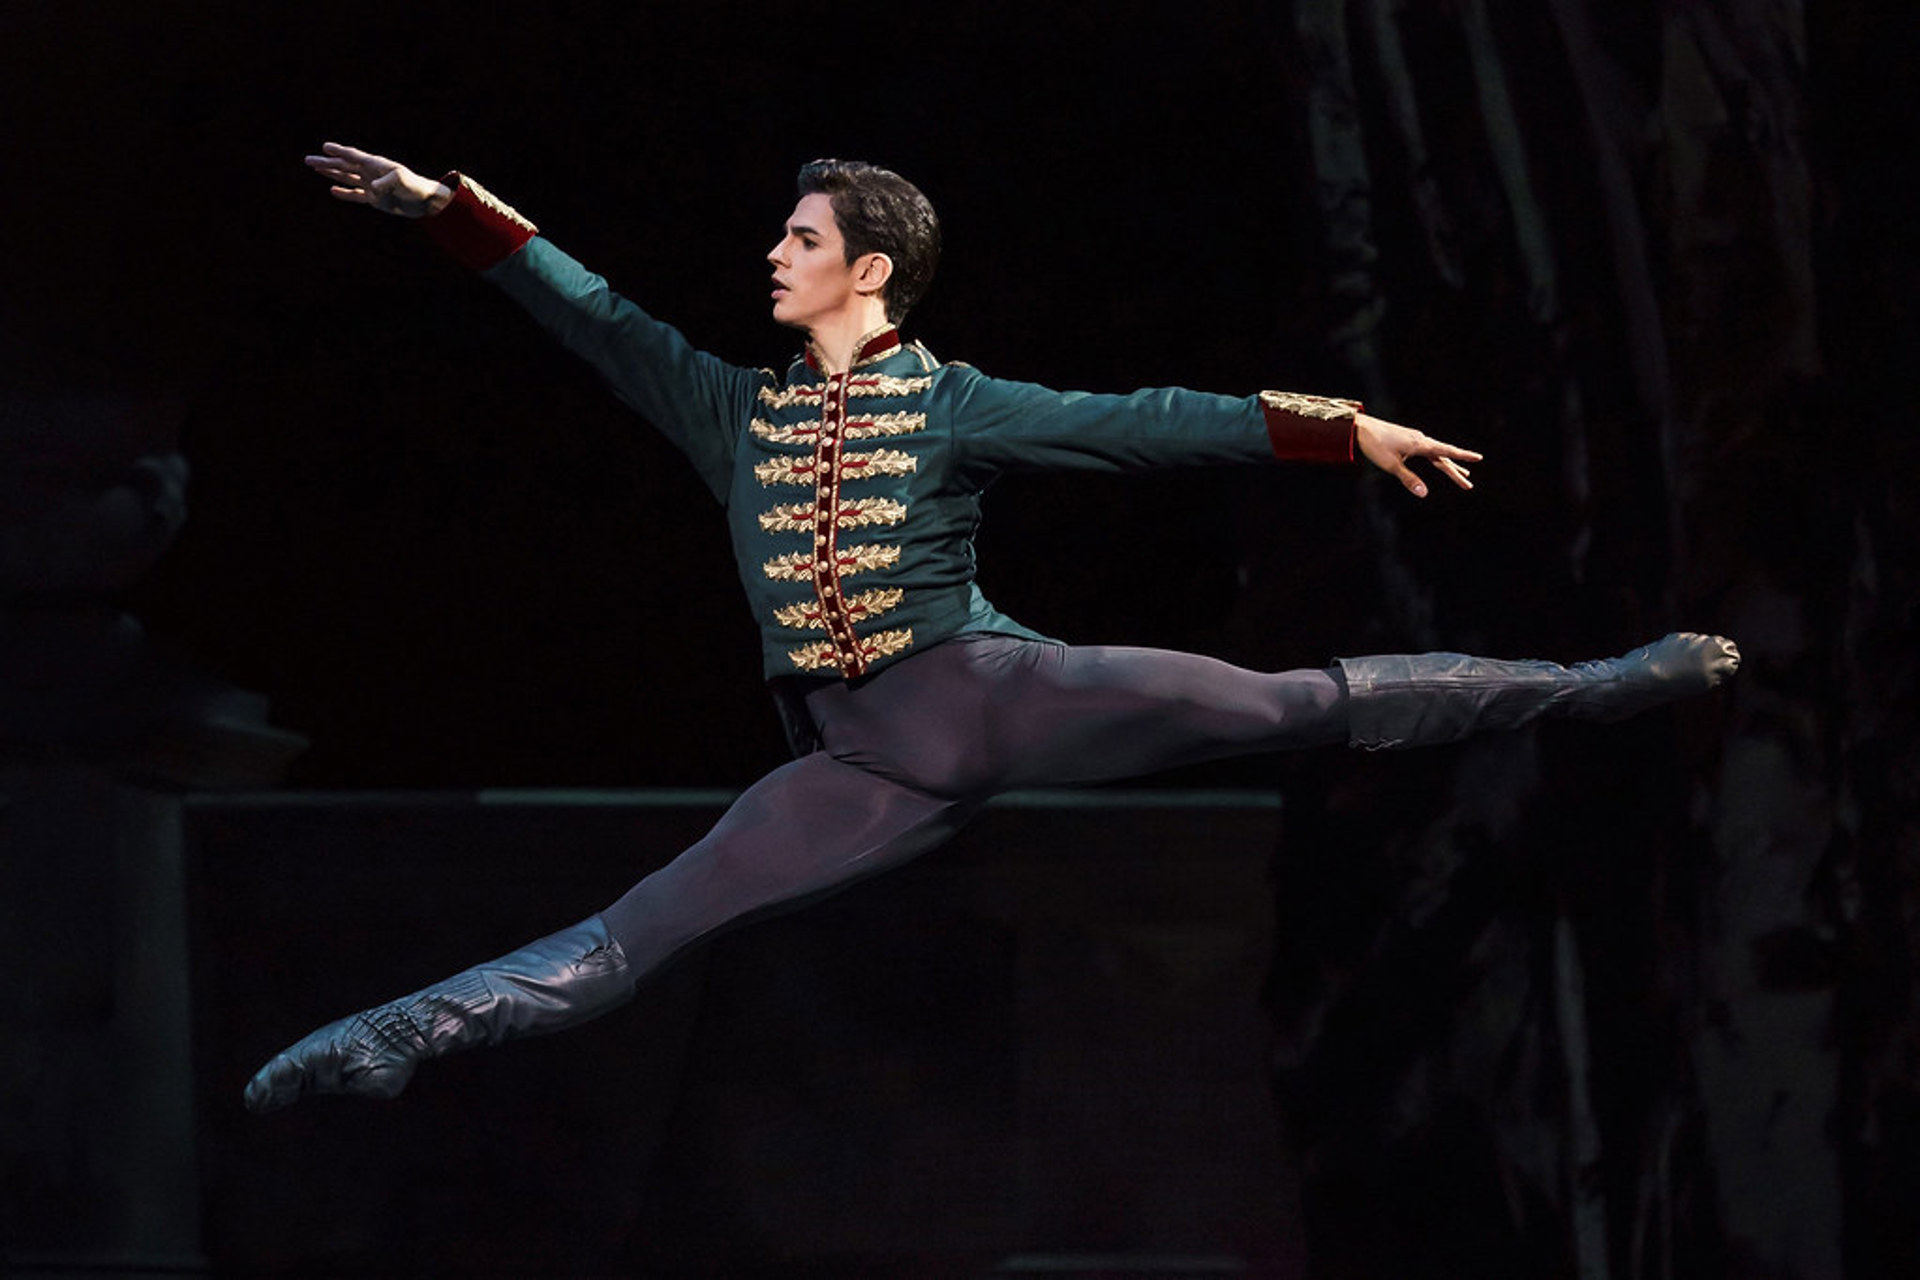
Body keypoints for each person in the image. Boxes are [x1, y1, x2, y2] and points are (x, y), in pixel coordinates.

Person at [243, 143, 1738, 1113]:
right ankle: (397, 1036)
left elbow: (1141, 423)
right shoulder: (733, 414)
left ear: (868, 269)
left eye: (801, 237)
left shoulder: (952, 404)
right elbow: (602, 317)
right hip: (861, 763)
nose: (775, 255)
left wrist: (1345, 430)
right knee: (649, 922)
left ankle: (1593, 684)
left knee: (1282, 707)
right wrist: (452, 214)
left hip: (995, 692)